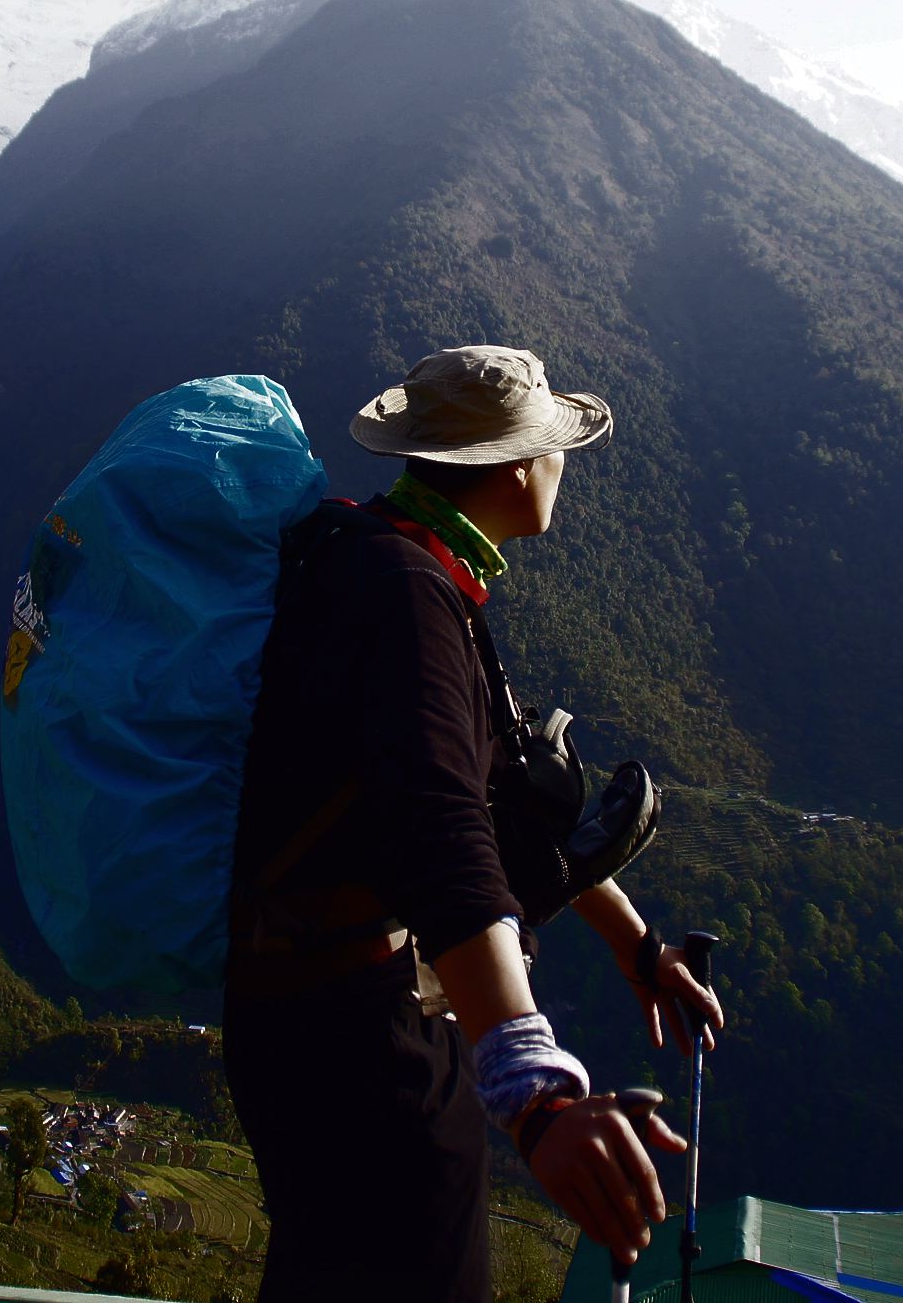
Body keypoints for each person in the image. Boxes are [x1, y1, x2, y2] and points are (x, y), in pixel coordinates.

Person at [224, 344, 725, 1303]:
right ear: (518, 465)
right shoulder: (409, 597)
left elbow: (500, 798)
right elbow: (446, 832)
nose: (562, 467)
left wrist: (639, 947)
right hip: (363, 1047)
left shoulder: (384, 556)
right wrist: (529, 1086)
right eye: (554, 448)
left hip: (298, 1014)